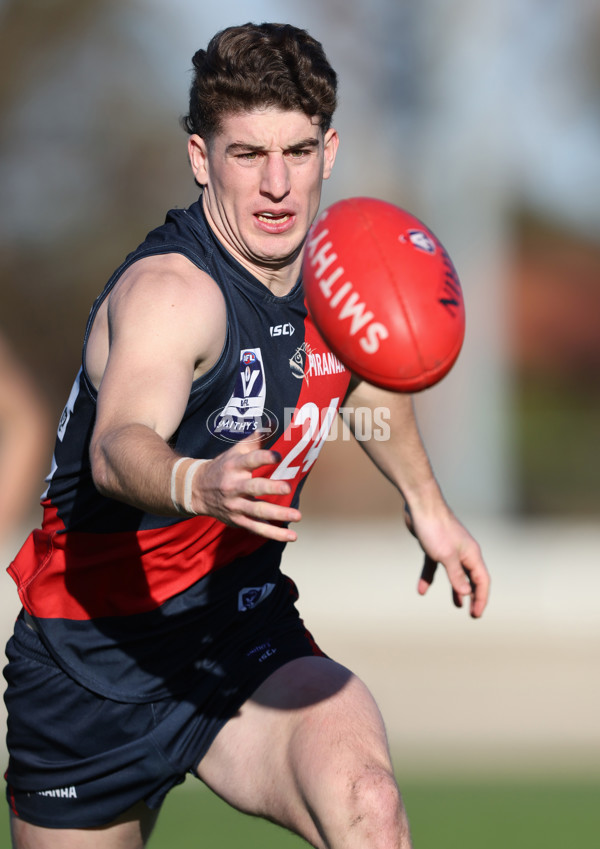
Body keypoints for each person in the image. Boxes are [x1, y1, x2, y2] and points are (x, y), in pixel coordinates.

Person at [3, 22, 490, 849]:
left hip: (236, 630)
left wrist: (427, 505)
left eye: (297, 152)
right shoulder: (172, 294)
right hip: (91, 654)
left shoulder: (338, 271)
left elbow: (366, 368)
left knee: (368, 800)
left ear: (329, 150)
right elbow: (119, 441)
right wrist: (199, 481)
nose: (277, 186)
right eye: (246, 154)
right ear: (200, 158)